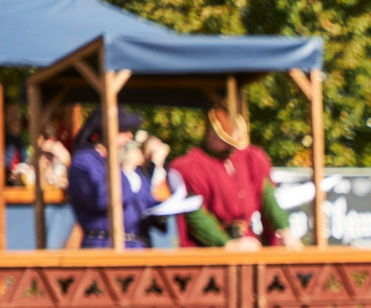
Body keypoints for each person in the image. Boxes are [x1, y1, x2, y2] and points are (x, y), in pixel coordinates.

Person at [170, 107, 301, 249]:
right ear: (211, 134)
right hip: (211, 250)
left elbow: (268, 198)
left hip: (248, 242)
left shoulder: (251, 159)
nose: (231, 147)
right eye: (225, 141)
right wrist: (226, 244)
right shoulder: (190, 166)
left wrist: (284, 229)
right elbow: (194, 213)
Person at [63, 109, 150, 250]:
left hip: (136, 246)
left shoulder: (126, 163)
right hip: (103, 245)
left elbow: (145, 201)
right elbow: (103, 198)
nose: (130, 136)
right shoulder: (84, 161)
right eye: (123, 131)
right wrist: (125, 171)